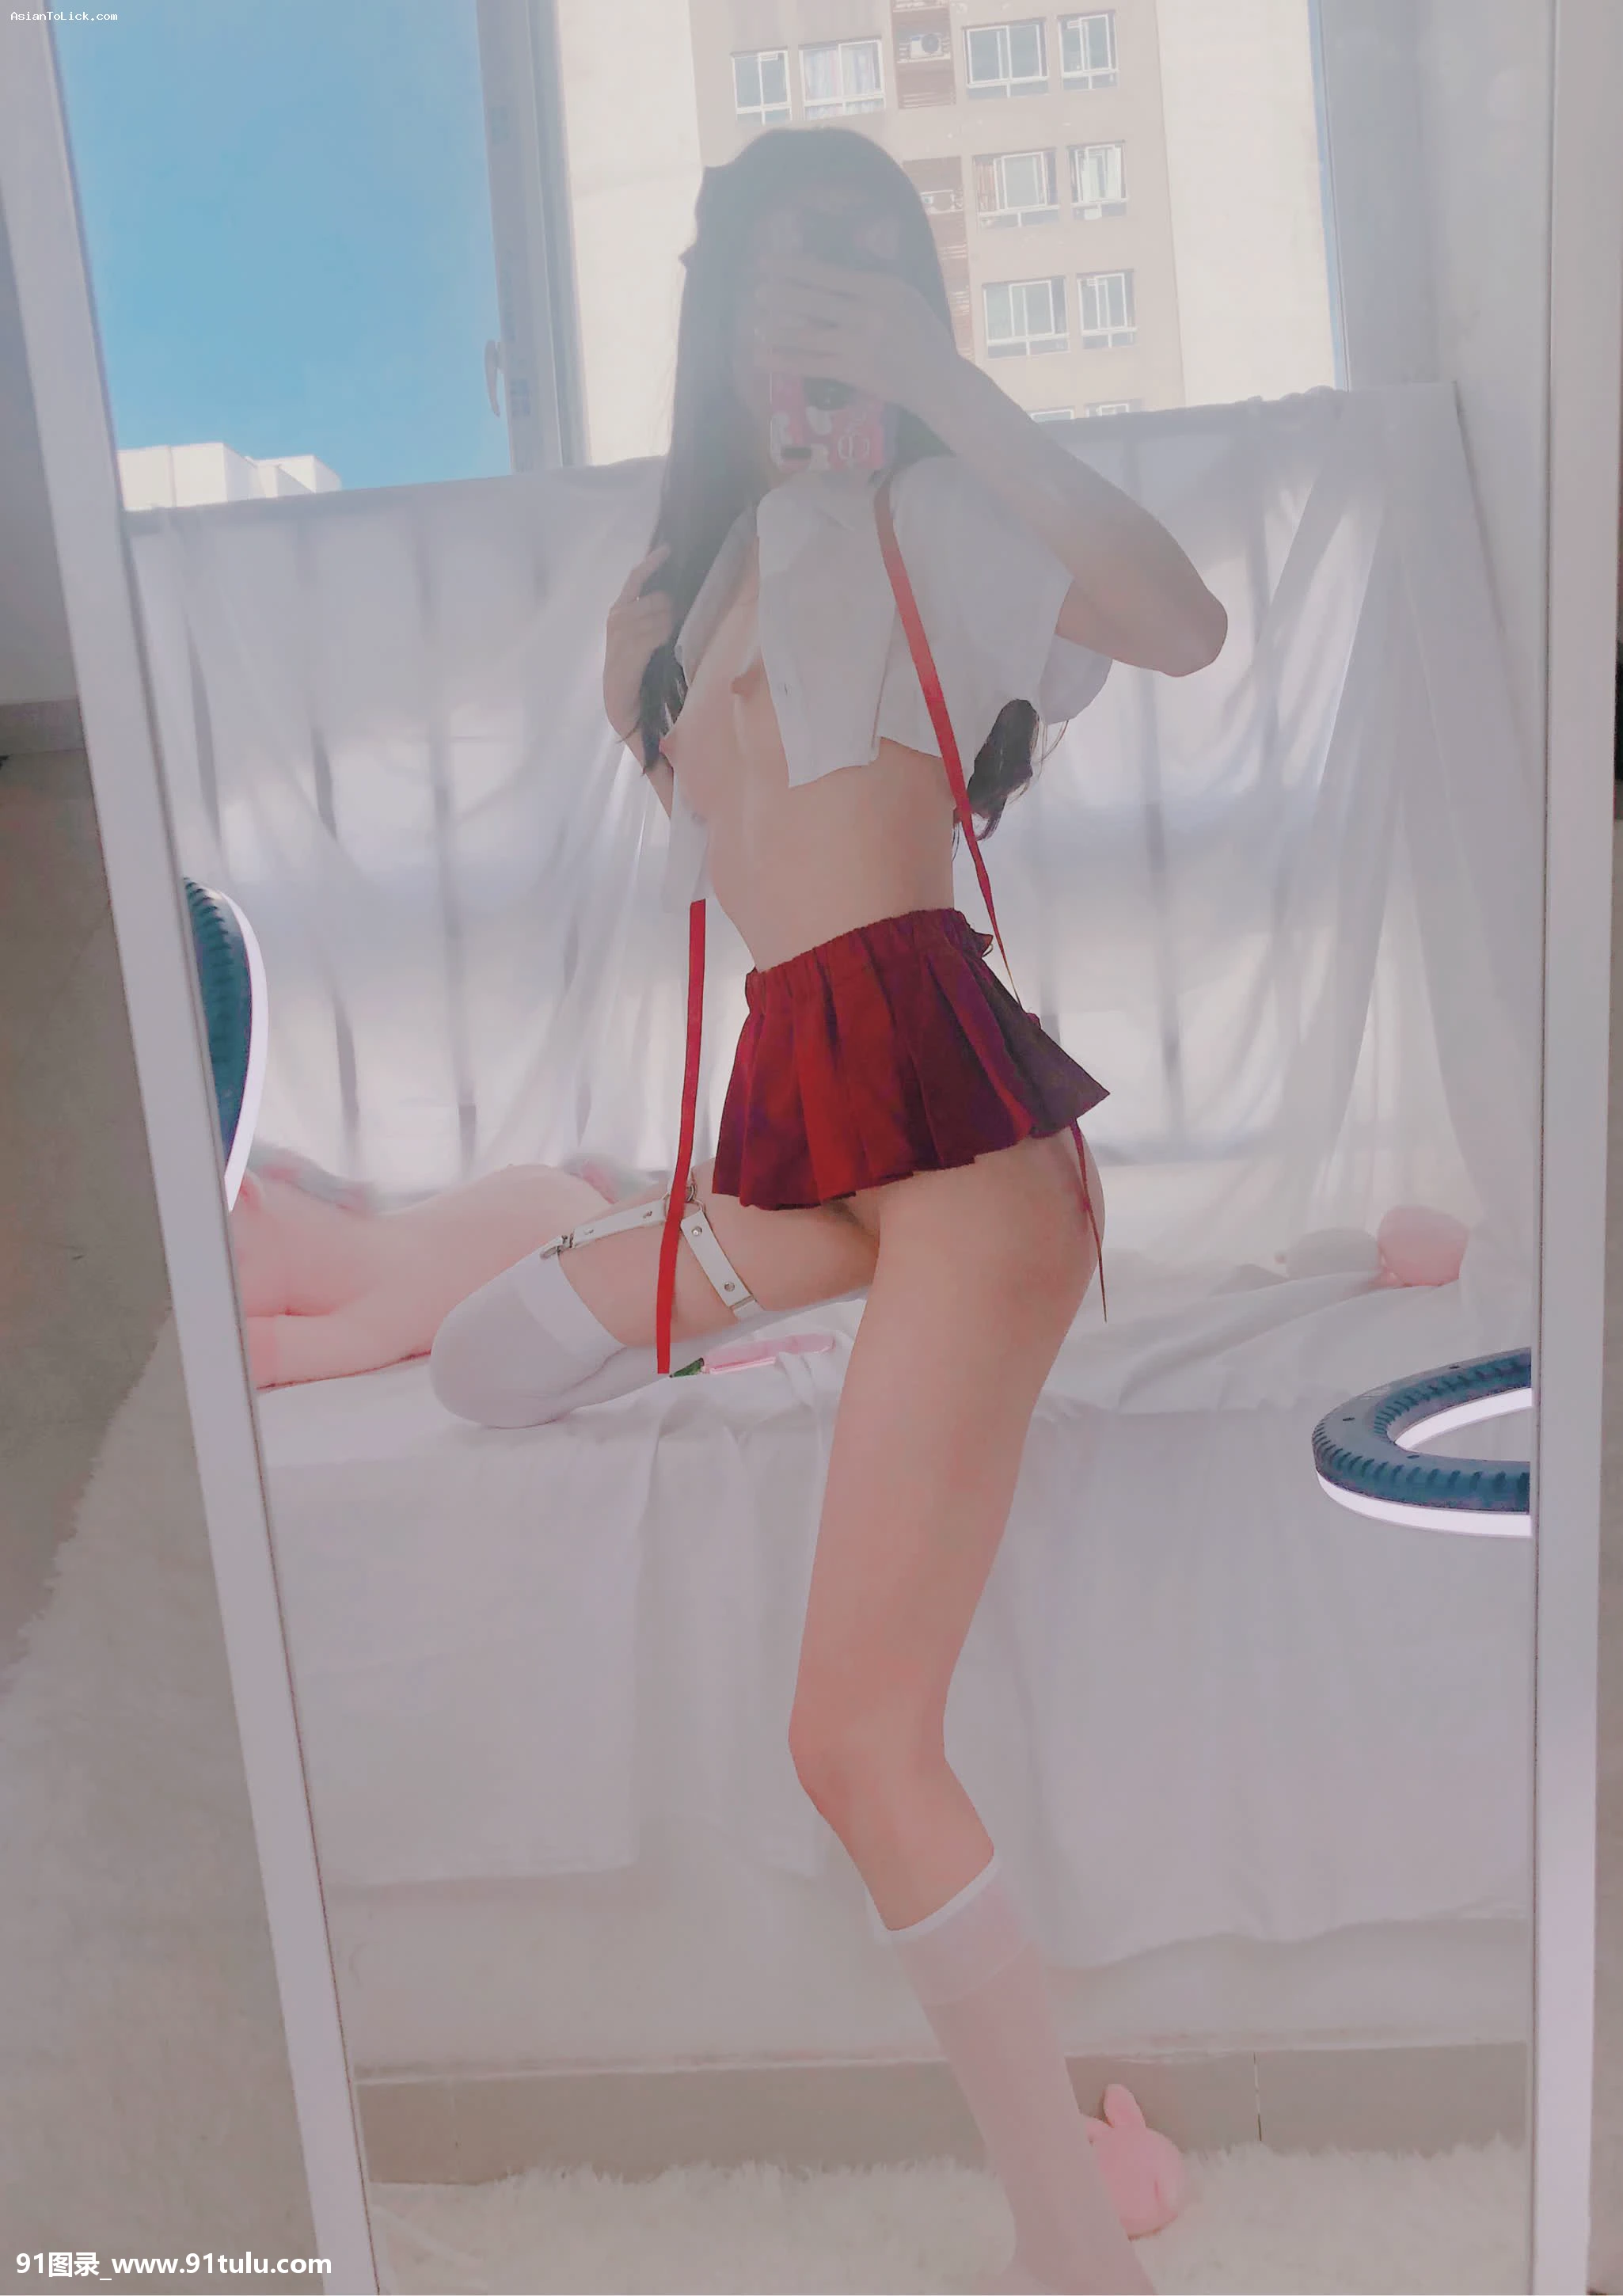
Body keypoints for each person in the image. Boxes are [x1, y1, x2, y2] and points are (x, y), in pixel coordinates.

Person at [431, 126, 1224, 2294]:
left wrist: (940, 393)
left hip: (958, 1140)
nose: (831, 300)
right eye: (794, 271)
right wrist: (761, 1225)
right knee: (487, 1357)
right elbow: (724, 839)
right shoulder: (666, 608)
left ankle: (1077, 2254)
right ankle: (790, 1249)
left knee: (852, 1738)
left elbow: (1182, 619)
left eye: (872, 264)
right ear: (726, 314)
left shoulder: (947, 517)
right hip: (815, 1140)